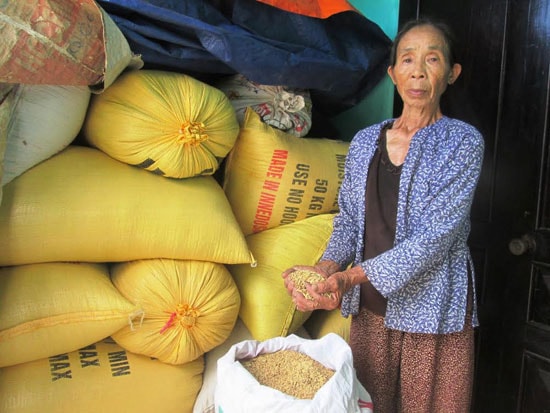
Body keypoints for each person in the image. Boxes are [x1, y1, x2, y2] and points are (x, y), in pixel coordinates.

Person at [282, 18, 484, 413]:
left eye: (433, 59)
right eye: (407, 59)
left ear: (452, 73)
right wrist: (325, 268)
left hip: (435, 312)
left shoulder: (462, 142)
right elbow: (349, 222)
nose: (419, 71)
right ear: (393, 73)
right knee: (370, 404)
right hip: (372, 311)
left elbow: (435, 237)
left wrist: (350, 276)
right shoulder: (364, 142)